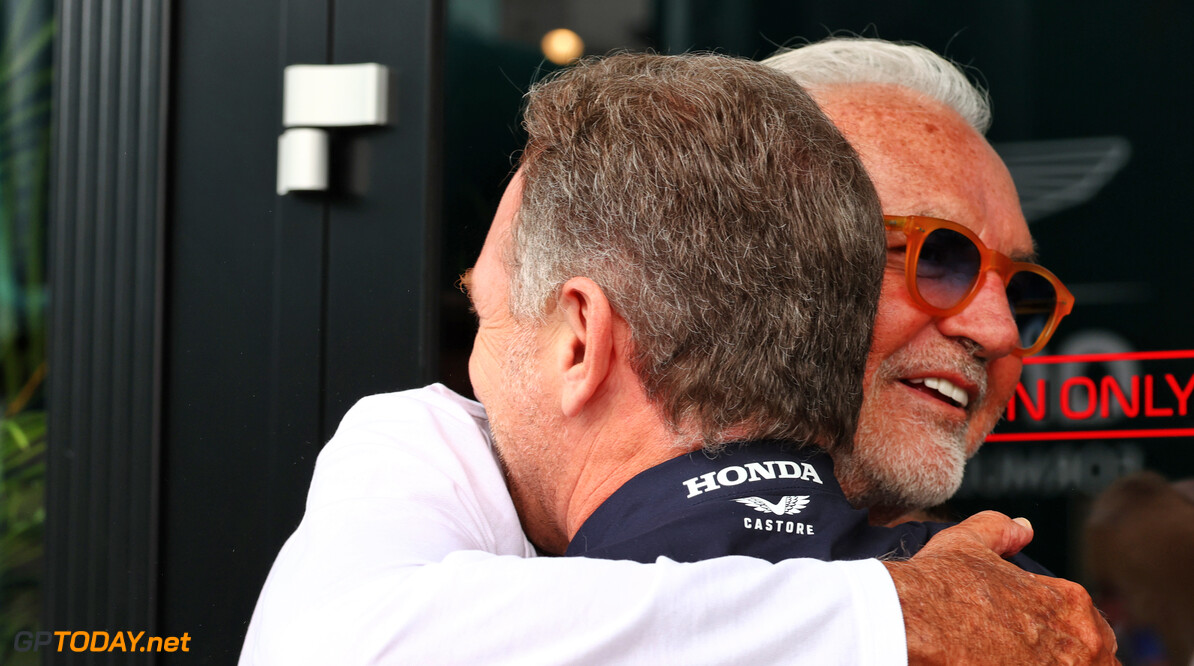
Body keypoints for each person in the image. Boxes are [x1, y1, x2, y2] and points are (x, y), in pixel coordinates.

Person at [241, 47, 1113, 665]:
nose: (999, 329)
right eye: (941, 256)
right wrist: (897, 616)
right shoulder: (447, 460)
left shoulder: (1040, 623)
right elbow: (344, 645)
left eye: (1022, 286)